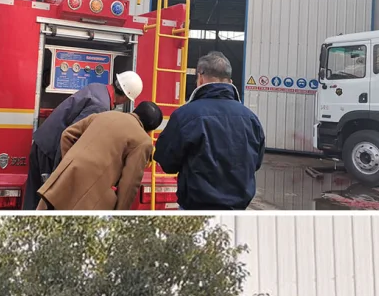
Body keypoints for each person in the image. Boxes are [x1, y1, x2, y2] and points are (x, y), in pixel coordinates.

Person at [154, 51, 266, 210]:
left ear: (200, 77)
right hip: (238, 210)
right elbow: (256, 163)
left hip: (196, 209)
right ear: (230, 81)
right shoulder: (251, 119)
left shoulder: (186, 115)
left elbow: (167, 162)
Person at [23, 70, 144, 208]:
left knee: (33, 199)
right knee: (49, 200)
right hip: (50, 152)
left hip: (43, 142)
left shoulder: (97, 87)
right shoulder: (100, 106)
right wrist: (63, 172)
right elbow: (73, 136)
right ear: (125, 98)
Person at [38, 101, 164, 210]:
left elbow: (67, 134)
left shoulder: (105, 114)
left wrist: (70, 164)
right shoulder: (143, 141)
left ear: (135, 110)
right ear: (150, 130)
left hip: (62, 182)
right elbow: (129, 184)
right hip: (89, 200)